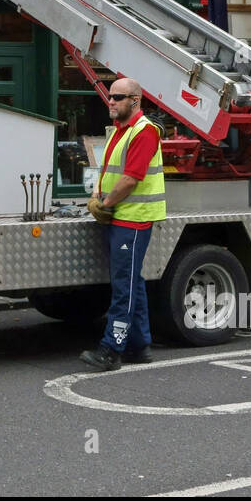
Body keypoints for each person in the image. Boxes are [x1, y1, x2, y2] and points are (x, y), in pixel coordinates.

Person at [81, 77, 166, 371]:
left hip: (133, 219)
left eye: (119, 97)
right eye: (110, 96)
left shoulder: (143, 131)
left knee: (124, 286)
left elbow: (130, 179)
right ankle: (139, 346)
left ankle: (111, 349)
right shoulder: (121, 130)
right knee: (133, 282)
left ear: (135, 101)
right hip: (123, 217)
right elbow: (109, 172)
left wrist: (104, 204)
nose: (112, 101)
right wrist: (97, 196)